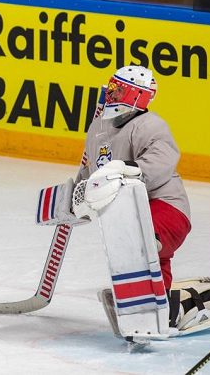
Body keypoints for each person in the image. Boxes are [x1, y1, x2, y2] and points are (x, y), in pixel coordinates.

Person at [75, 65, 190, 292]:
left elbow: (161, 162)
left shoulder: (150, 125)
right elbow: (94, 170)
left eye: (118, 90)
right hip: (130, 211)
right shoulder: (99, 126)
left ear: (137, 95)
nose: (111, 93)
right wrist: (78, 193)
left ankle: (153, 301)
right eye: (112, 87)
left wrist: (126, 170)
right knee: (138, 252)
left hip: (166, 208)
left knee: (140, 242)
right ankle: (162, 302)